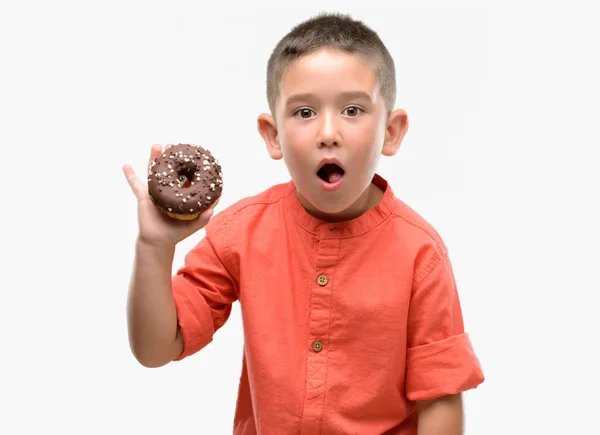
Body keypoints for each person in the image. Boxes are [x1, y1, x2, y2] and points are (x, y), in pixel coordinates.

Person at [123, 11, 484, 435]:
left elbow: (440, 395)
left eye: (352, 109)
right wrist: (154, 247)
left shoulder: (420, 253)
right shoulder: (241, 231)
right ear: (272, 136)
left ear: (391, 131)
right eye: (304, 112)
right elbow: (156, 348)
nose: (327, 133)